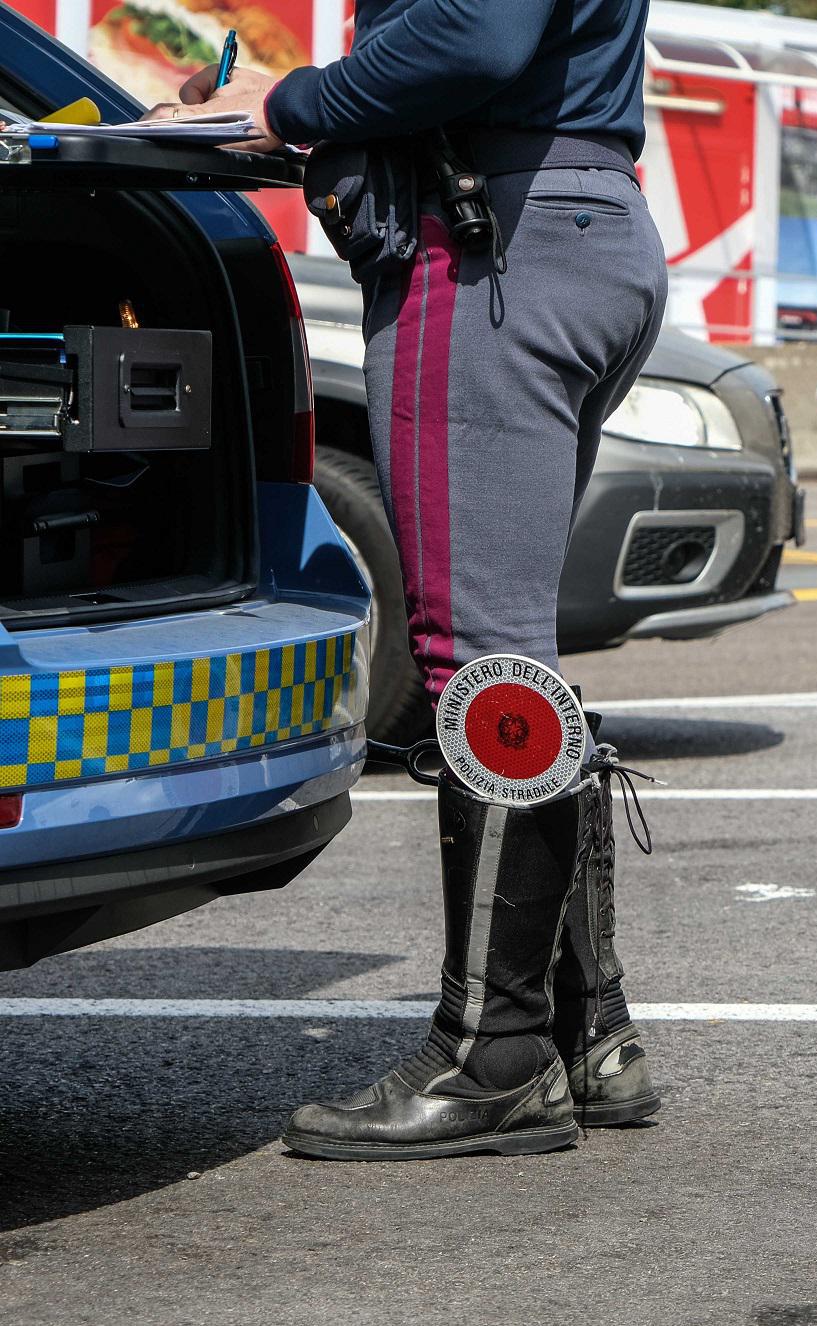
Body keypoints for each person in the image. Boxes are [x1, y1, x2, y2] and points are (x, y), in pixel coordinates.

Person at [148, 0, 670, 1159]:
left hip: (488, 242)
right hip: (573, 219)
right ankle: (589, 1033)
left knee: (475, 664)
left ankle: (495, 1059)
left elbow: (473, 36)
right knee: (509, 657)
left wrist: (289, 102)